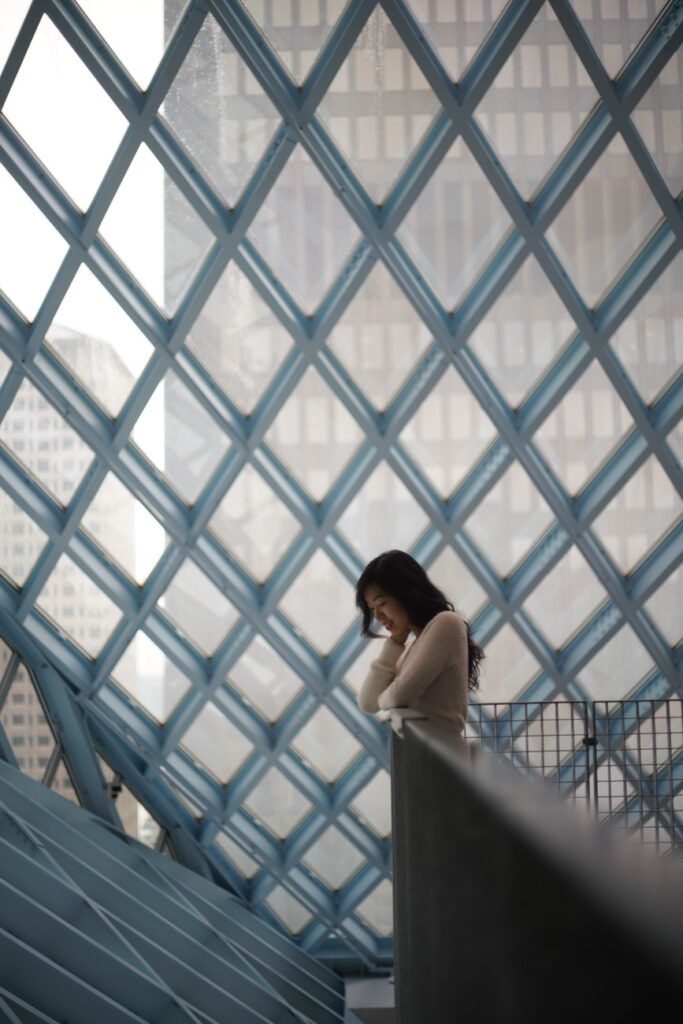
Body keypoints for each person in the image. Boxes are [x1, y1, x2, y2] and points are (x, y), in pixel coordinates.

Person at [355, 550, 483, 734]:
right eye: (372, 609)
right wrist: (395, 643)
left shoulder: (447, 623)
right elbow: (367, 703)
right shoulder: (413, 645)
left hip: (441, 757)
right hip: (419, 756)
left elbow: (399, 696)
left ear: (406, 592)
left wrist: (384, 699)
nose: (377, 616)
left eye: (381, 603)